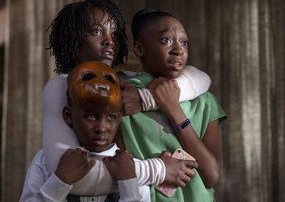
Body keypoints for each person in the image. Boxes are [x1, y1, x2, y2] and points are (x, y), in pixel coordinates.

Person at [42, 0, 211, 196]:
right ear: (74, 40)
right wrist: (158, 169)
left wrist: (145, 99)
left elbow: (201, 78)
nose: (109, 41)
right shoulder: (60, 85)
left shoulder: (128, 81)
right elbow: (72, 178)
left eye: (114, 34)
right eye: (97, 31)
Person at [21, 61, 197, 201]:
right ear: (68, 116)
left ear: (120, 117)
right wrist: (60, 180)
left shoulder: (128, 165)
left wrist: (128, 182)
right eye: (91, 117)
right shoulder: (45, 161)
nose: (101, 128)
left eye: (111, 118)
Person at [115, 8, 228, 202]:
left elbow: (211, 176)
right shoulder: (124, 95)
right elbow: (118, 167)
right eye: (166, 40)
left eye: (184, 42)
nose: (178, 49)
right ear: (140, 48)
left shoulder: (205, 102)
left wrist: (174, 109)